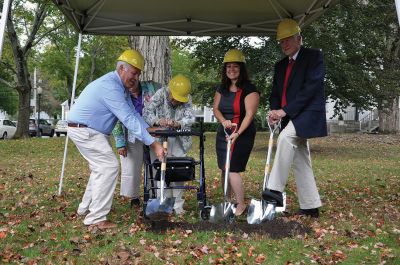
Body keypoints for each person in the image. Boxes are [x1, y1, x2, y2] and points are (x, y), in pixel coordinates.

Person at [67, 49, 165, 229]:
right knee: (109, 166)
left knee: (100, 168)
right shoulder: (110, 87)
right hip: (86, 131)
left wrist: (149, 129)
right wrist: (154, 143)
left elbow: (133, 115)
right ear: (121, 68)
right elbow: (127, 119)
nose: (136, 78)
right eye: (133, 73)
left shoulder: (121, 88)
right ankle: (96, 219)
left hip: (89, 130)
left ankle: (85, 208)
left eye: (138, 74)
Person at [263, 19, 327, 218]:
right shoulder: (280, 65)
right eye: (281, 42)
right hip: (289, 116)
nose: (284, 44)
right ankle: (310, 206)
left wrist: (285, 111)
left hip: (307, 112)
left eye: (288, 40)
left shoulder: (314, 57)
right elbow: (275, 92)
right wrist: (275, 112)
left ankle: (274, 190)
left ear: (299, 38)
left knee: (285, 139)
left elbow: (311, 89)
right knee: (301, 159)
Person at [212, 49, 260, 217]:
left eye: (235, 67)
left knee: (232, 168)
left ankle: (241, 204)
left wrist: (237, 133)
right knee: (224, 168)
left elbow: (249, 115)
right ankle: (228, 200)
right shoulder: (222, 88)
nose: (231, 70)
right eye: (228, 67)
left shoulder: (249, 89)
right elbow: (216, 108)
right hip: (224, 132)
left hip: (242, 133)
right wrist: (223, 121)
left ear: (241, 68)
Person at [143, 74, 195, 215]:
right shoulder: (161, 94)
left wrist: (179, 123)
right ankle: (163, 204)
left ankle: (178, 205)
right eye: (174, 97)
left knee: (178, 170)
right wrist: (158, 120)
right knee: (163, 170)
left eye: (179, 100)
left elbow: (190, 117)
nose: (175, 101)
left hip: (179, 139)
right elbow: (146, 111)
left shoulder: (187, 98)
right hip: (161, 138)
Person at [112, 81, 161, 207]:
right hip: (131, 133)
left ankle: (154, 193)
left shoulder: (151, 88)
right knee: (132, 165)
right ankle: (133, 196)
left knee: (155, 163)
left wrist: (159, 126)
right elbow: (116, 118)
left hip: (152, 131)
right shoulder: (120, 94)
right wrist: (120, 142)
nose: (131, 88)